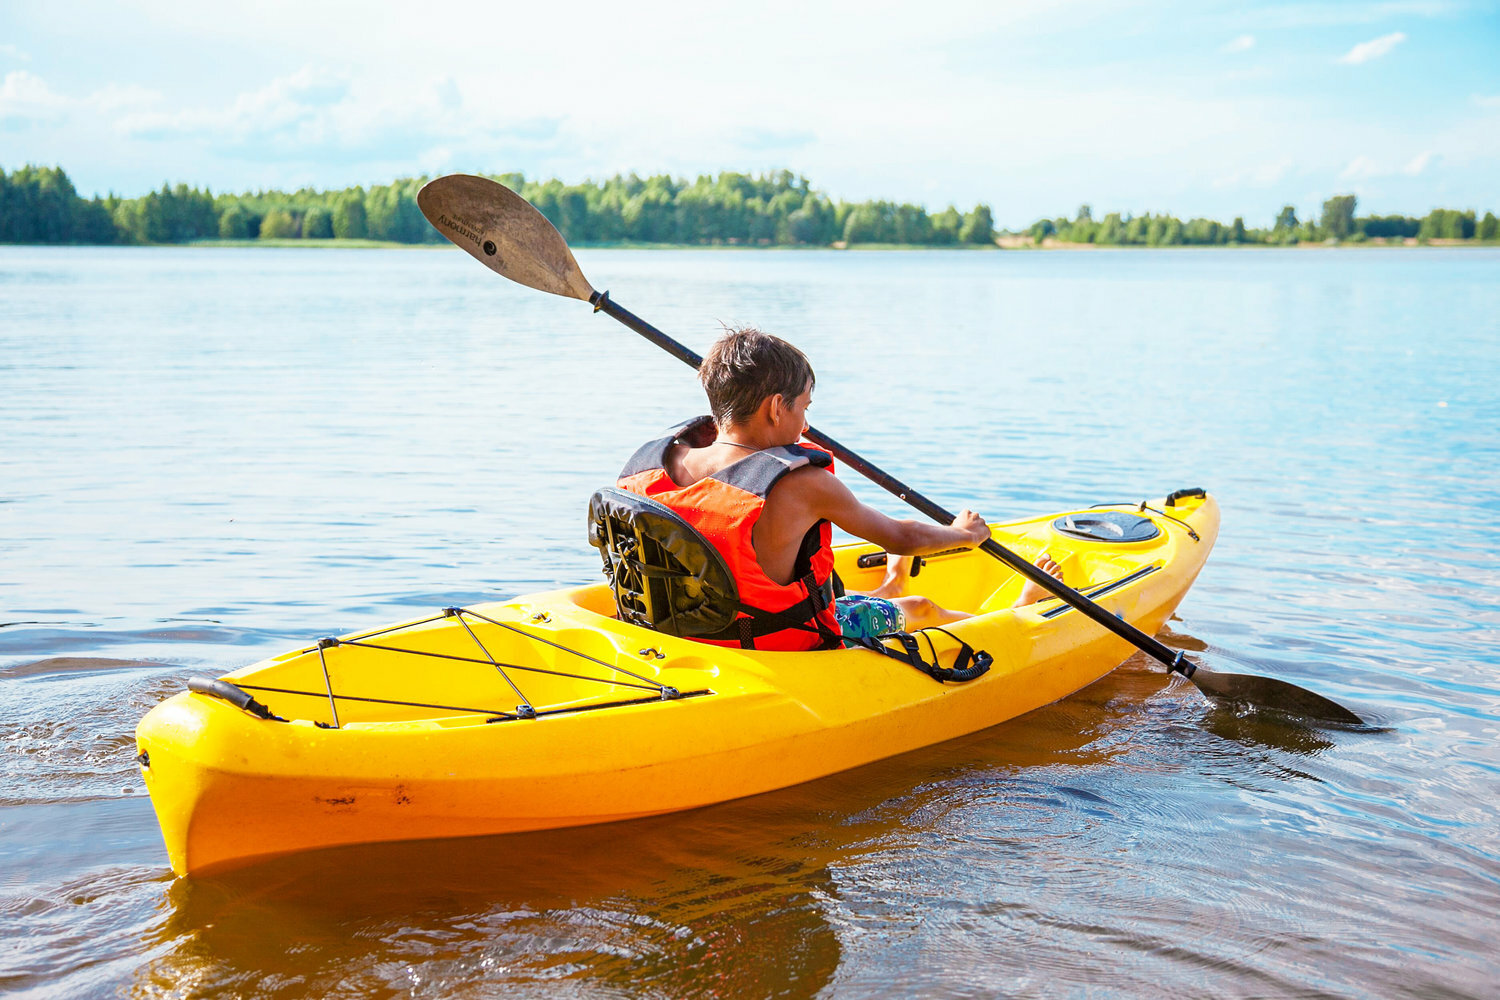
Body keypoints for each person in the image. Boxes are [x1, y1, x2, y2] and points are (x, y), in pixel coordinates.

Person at [615, 327, 1064, 651]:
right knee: (922, 608)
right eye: (804, 408)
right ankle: (1018, 614)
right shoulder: (803, 484)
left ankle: (890, 583)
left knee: (841, 597)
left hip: (688, 631)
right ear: (776, 408)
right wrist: (965, 534)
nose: (805, 426)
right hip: (774, 641)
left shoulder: (658, 463)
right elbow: (901, 536)